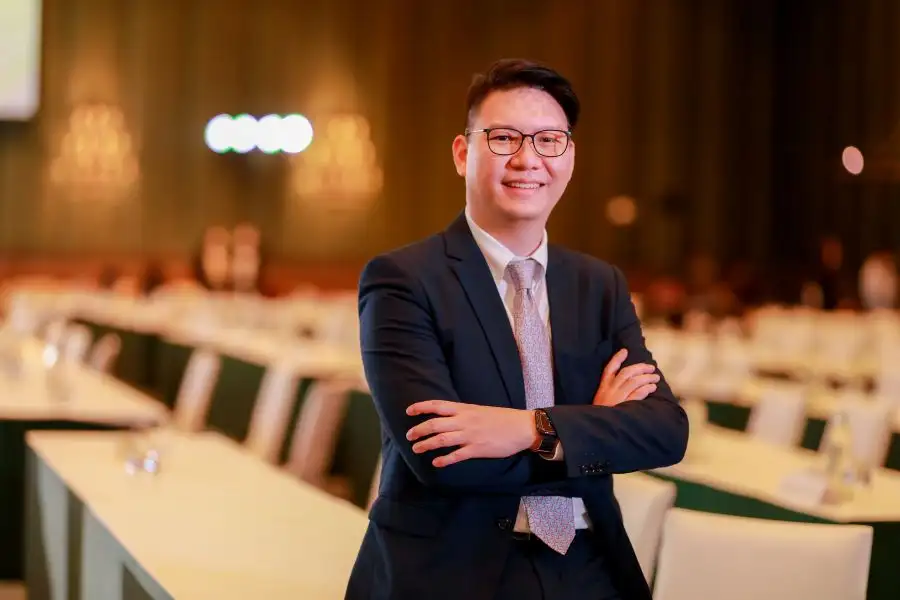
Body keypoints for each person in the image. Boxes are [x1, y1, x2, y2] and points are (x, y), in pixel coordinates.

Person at [347, 59, 688, 600]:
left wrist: (529, 428)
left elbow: (664, 431)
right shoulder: (403, 280)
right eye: (504, 138)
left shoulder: (598, 284)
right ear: (463, 154)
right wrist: (591, 428)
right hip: (452, 571)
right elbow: (442, 461)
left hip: (589, 567)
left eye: (549, 140)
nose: (528, 159)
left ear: (569, 157)